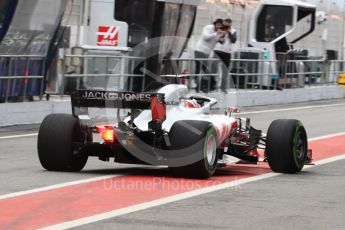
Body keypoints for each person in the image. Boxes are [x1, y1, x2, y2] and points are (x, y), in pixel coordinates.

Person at [195, 19, 226, 92]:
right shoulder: (208, 28)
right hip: (199, 50)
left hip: (207, 53)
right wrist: (216, 33)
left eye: (220, 26)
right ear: (214, 24)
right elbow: (206, 37)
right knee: (200, 69)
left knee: (203, 69)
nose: (219, 27)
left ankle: (199, 86)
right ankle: (200, 86)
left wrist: (223, 36)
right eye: (218, 25)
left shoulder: (218, 32)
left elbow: (221, 42)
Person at [213, 18, 237, 93]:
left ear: (231, 24)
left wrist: (229, 32)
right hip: (217, 51)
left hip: (227, 53)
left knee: (225, 71)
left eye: (228, 23)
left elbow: (233, 40)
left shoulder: (233, 31)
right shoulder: (220, 29)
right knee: (213, 69)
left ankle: (223, 87)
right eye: (226, 23)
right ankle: (213, 86)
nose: (227, 25)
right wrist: (222, 33)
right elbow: (218, 40)